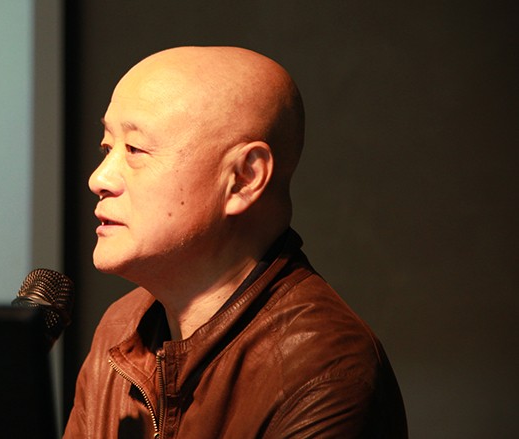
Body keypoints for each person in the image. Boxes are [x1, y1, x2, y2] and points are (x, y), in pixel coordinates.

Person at [63, 46, 407, 438]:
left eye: (135, 149)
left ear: (244, 178)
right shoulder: (121, 327)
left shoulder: (325, 369)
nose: (99, 179)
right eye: (107, 147)